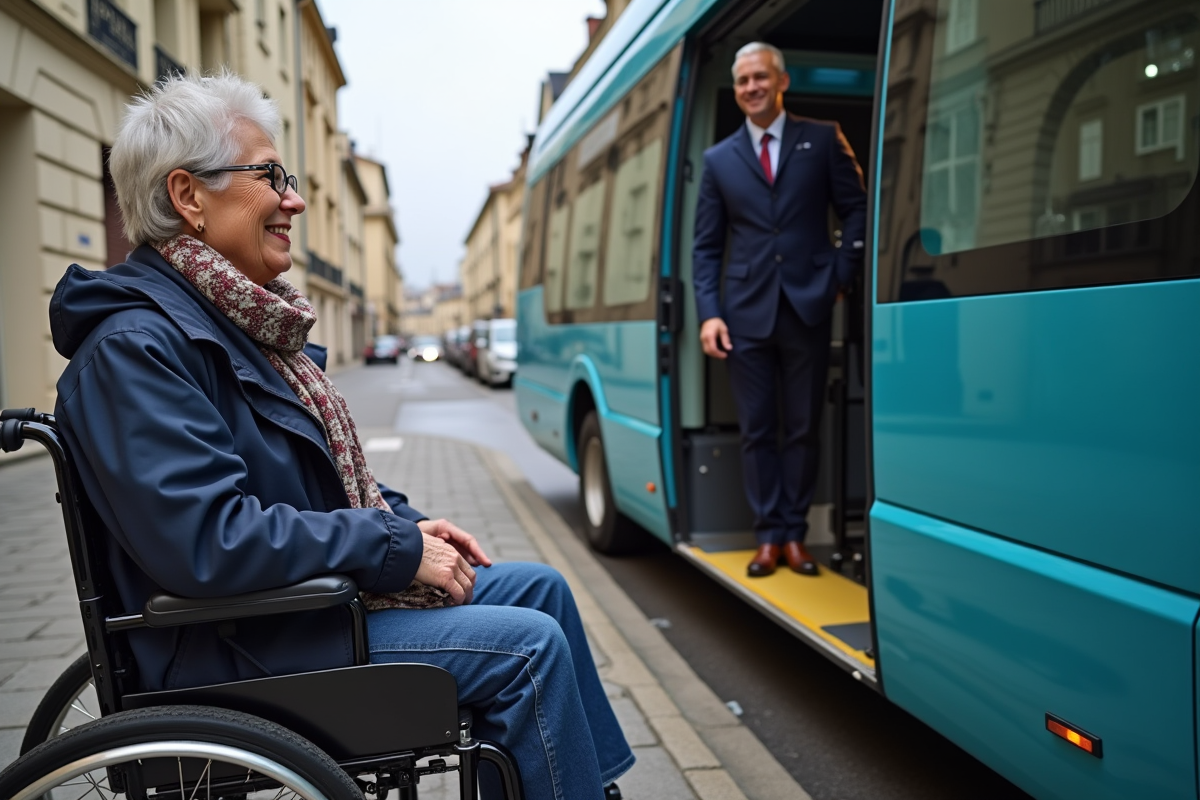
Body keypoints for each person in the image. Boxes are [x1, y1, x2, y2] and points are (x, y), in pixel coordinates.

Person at [48, 72, 632, 800]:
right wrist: (390, 547)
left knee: (543, 590)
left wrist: (410, 526)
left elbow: (310, 478)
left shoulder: (238, 325)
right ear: (188, 196)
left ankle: (585, 787)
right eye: (269, 176)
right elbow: (209, 541)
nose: (293, 200)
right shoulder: (135, 349)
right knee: (528, 649)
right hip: (239, 643)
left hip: (301, 610)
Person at [692, 43, 867, 578]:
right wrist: (709, 312)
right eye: (743, 80)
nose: (752, 87)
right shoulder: (718, 160)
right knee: (758, 430)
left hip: (808, 306)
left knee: (803, 428)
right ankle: (768, 537)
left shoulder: (823, 138)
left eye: (760, 77)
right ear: (737, 89)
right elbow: (706, 247)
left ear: (782, 81)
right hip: (744, 314)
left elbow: (857, 209)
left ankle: (795, 535)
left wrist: (840, 275)